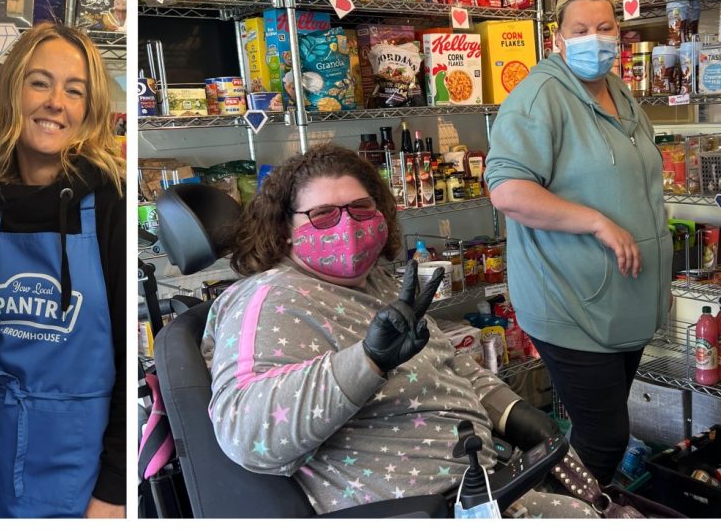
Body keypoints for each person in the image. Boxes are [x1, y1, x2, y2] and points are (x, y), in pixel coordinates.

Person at [201, 145, 595, 518]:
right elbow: (247, 433)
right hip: (417, 508)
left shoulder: (379, 283)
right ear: (285, 228)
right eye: (322, 214)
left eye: (360, 208)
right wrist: (366, 361)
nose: (347, 225)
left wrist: (512, 412)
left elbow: (448, 361)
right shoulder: (270, 300)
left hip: (482, 489)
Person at [484, 0, 673, 486]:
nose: (596, 38)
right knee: (605, 436)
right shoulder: (540, 96)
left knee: (598, 434)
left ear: (620, 33)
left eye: (606, 27)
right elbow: (507, 191)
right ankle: (549, 508)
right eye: (581, 29)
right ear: (558, 39)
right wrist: (597, 222)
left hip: (621, 300)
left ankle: (580, 502)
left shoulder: (617, 90)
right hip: (570, 300)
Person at [0, 22, 126, 518]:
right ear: (12, 91)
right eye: (40, 82)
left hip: (80, 476)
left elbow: (130, 357)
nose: (56, 102)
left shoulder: (108, 205)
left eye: (73, 90)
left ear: (88, 109)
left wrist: (115, 490)